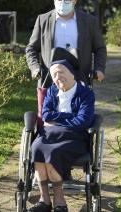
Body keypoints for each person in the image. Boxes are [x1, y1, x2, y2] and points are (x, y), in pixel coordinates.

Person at [29, 59, 95, 212]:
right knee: (36, 147)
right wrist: (69, 116)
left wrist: (57, 120)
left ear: (72, 74)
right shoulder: (52, 90)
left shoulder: (86, 93)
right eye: (54, 74)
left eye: (61, 72)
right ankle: (44, 200)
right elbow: (45, 114)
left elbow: (83, 121)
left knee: (53, 152)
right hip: (48, 134)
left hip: (74, 137)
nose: (58, 77)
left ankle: (60, 201)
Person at [26, 0, 107, 88]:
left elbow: (100, 48)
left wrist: (99, 69)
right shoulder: (43, 20)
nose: (63, 2)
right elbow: (31, 48)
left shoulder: (89, 21)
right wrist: (35, 68)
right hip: (49, 81)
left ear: (75, 1)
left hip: (81, 81)